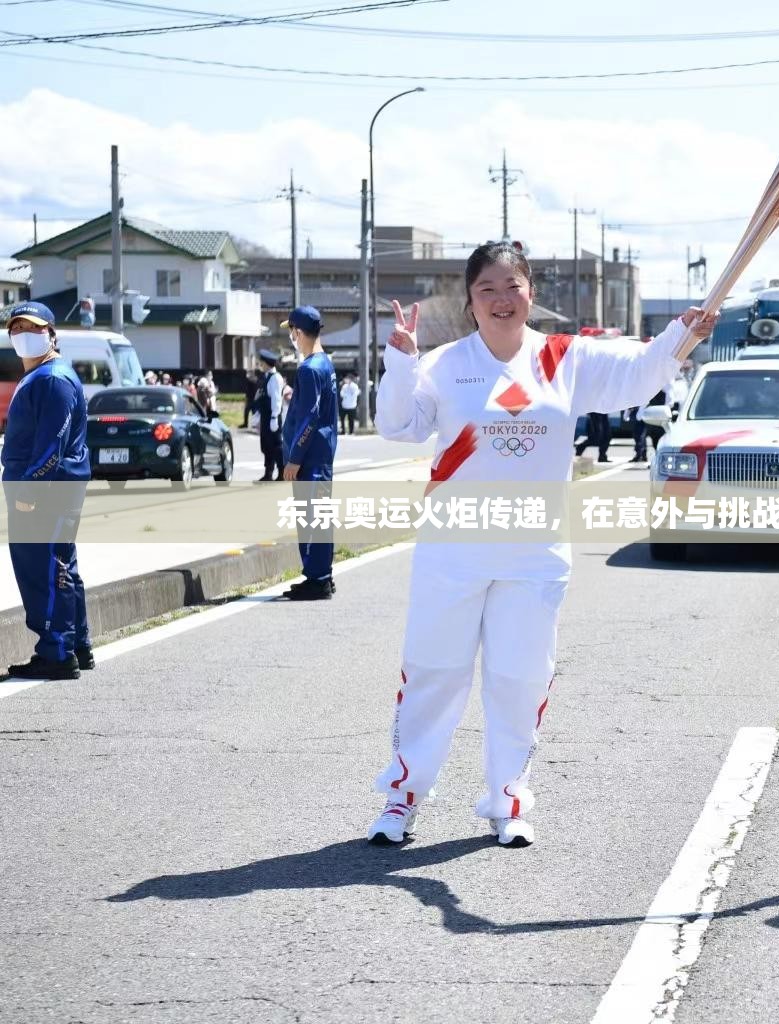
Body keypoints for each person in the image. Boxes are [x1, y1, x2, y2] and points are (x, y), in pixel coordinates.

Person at [367, 241, 717, 847]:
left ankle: (507, 801)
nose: (502, 300)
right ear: (470, 300)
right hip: (455, 549)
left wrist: (682, 335)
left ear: (531, 293)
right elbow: (398, 426)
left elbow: (636, 376)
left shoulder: (564, 357)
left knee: (519, 676)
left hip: (533, 551)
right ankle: (402, 798)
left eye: (513, 286)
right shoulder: (445, 364)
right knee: (434, 674)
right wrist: (400, 362)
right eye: (488, 289)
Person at [2, 302, 92, 680]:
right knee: (61, 563)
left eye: (33, 328)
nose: (24, 334)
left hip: (44, 489)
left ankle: (57, 651)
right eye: (17, 328)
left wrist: (30, 490)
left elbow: (50, 446)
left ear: (51, 334)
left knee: (44, 567)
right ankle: (76, 644)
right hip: (55, 487)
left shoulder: (52, 379)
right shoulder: (44, 375)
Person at [278, 306, 339, 601]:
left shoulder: (308, 369)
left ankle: (317, 579)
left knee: (311, 515)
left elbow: (308, 417)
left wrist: (294, 458)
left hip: (310, 456)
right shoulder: (325, 364)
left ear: (298, 333)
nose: (291, 337)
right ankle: (323, 576)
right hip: (323, 453)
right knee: (320, 513)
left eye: (291, 331)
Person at [253, 349, 285, 481]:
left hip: (273, 416)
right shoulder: (266, 377)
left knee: (276, 445)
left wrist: (274, 417)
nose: (260, 365)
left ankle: (282, 472)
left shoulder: (275, 378)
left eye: (262, 362)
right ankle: (268, 472)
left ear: (267, 363)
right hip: (266, 416)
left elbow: (276, 399)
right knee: (266, 445)